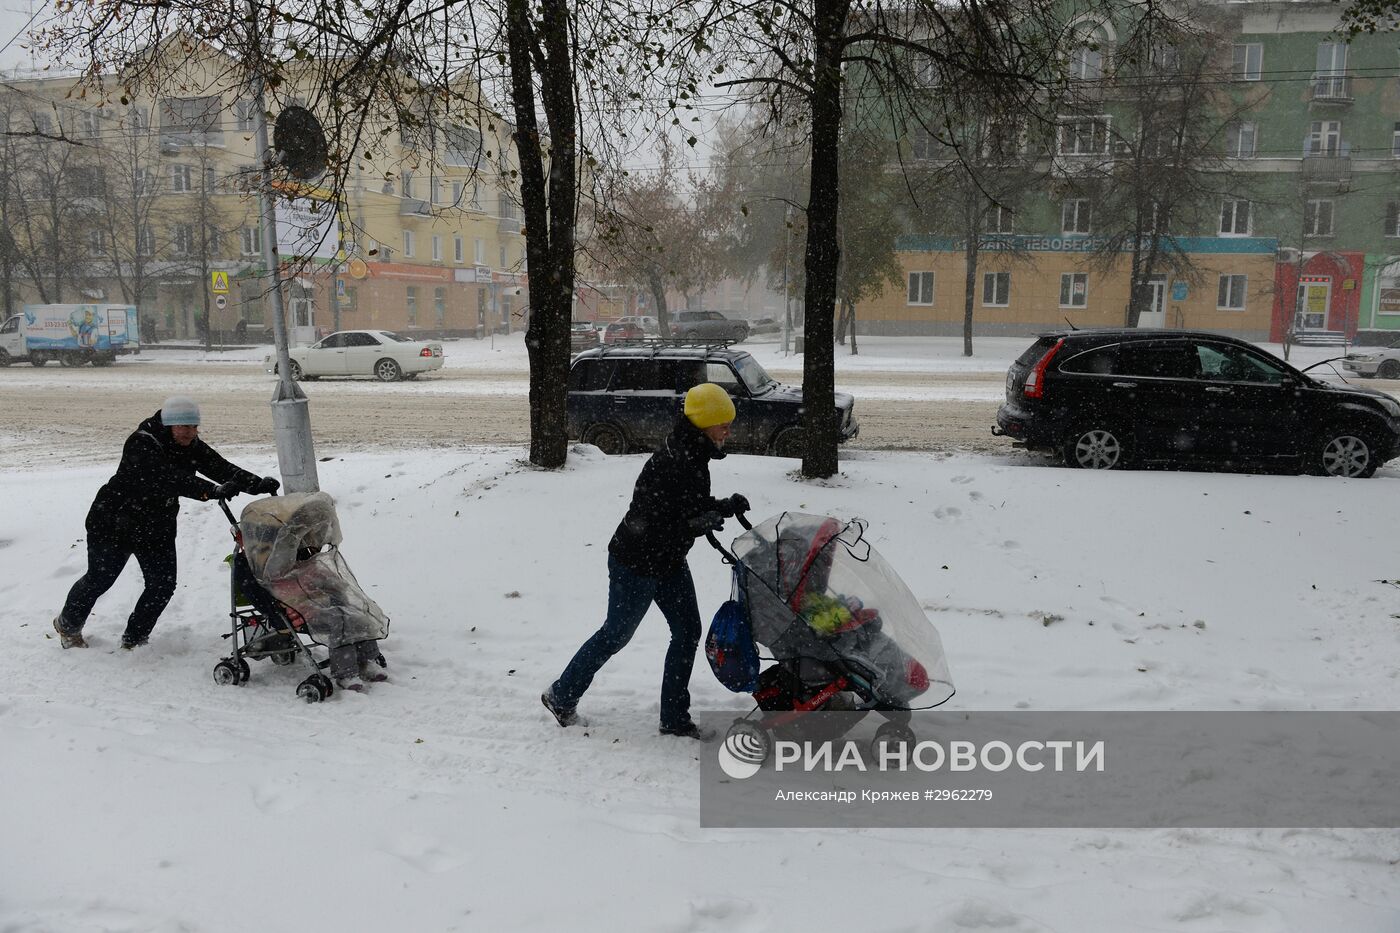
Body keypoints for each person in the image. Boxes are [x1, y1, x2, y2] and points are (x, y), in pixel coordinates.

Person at [542, 383, 750, 739]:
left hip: (667, 561)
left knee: (687, 632)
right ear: (704, 424)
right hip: (636, 561)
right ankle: (561, 695)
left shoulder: (695, 454)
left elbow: (687, 505)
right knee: (616, 634)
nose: (728, 430)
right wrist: (693, 523)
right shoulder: (673, 459)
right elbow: (651, 518)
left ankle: (673, 717)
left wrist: (721, 507)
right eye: (723, 423)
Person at [52, 396, 280, 650]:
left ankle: (135, 638)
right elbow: (166, 478)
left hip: (155, 525)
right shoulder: (141, 442)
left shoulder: (190, 444)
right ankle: (68, 625)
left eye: (194, 427)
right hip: (114, 521)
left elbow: (218, 466)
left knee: (162, 585)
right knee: (100, 579)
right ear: (169, 425)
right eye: (184, 427)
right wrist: (210, 490)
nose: (190, 433)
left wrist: (255, 483)